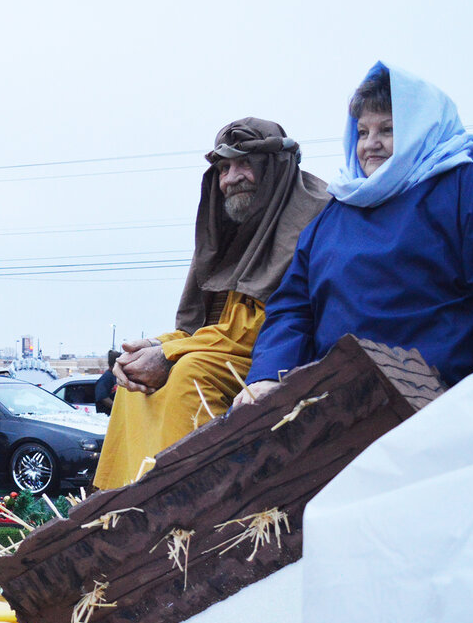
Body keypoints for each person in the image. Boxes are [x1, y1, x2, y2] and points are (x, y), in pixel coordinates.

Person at [236, 63, 473, 406]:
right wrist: (267, 376)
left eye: (388, 129)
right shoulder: (336, 214)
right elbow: (293, 306)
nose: (371, 144)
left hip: (443, 407)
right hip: (335, 411)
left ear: (421, 129)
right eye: (363, 132)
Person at [93, 119, 328, 490]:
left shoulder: (311, 216)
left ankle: (185, 502)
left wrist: (170, 353)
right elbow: (208, 325)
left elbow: (261, 327)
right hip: (227, 347)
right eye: (223, 168)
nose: (231, 178)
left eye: (244, 164)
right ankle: (121, 506)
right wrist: (154, 348)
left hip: (283, 360)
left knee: (191, 374)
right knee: (134, 383)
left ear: (274, 167)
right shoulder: (236, 225)